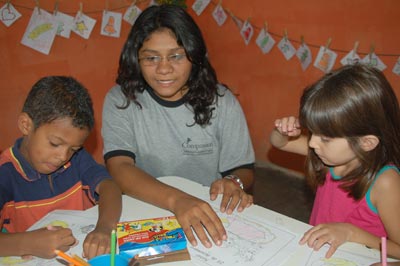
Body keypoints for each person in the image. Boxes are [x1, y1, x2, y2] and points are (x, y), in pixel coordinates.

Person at [102, 4, 255, 248]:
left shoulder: (223, 101)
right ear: (136, 58)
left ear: (194, 56)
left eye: (176, 56)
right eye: (151, 57)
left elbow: (243, 169)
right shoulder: (121, 100)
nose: (164, 68)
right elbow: (119, 167)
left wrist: (233, 182)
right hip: (145, 208)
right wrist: (178, 201)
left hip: (207, 211)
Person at [269, 64, 400, 259]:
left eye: (325, 138)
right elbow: (278, 143)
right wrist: (282, 132)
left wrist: (351, 233)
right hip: (318, 254)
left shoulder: (386, 182)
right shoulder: (331, 156)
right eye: (312, 132)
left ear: (366, 142)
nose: (312, 143)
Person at [0, 76, 122, 260]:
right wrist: (28, 243)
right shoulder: (5, 174)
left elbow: (109, 187)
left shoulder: (77, 159)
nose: (63, 157)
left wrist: (105, 228)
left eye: (73, 149)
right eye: (55, 143)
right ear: (26, 125)